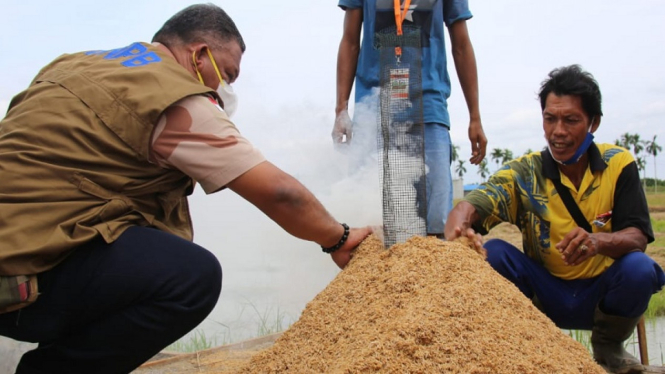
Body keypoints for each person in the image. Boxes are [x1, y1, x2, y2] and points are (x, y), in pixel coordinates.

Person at [0, 4, 372, 373]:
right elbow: (279, 193)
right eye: (227, 73)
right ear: (197, 55)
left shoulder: (74, 65)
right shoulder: (171, 95)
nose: (224, 88)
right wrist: (337, 238)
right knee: (192, 278)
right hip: (18, 273)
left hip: (20, 244)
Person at [444, 65, 665, 373]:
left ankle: (609, 348)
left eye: (571, 120)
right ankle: (522, 347)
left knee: (641, 269)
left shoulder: (619, 164)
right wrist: (459, 225)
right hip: (544, 295)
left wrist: (597, 241)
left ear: (593, 123)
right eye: (550, 119)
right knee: (493, 253)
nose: (558, 131)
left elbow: (638, 236)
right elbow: (472, 205)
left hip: (602, 293)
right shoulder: (525, 172)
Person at [333, 0, 487, 237]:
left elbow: (462, 45)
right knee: (368, 215)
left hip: (429, 104)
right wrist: (340, 109)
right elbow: (350, 41)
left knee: (437, 218)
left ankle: (433, 270)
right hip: (373, 105)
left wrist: (475, 116)